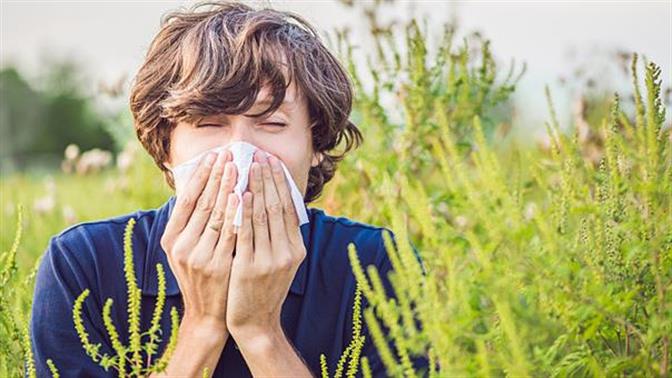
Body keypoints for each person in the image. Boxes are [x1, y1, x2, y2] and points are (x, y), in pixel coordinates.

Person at [28, 1, 428, 376]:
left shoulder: (376, 266)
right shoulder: (84, 266)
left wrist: (261, 333)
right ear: (165, 146)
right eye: (209, 123)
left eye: (271, 124)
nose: (242, 152)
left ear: (317, 145)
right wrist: (203, 326)